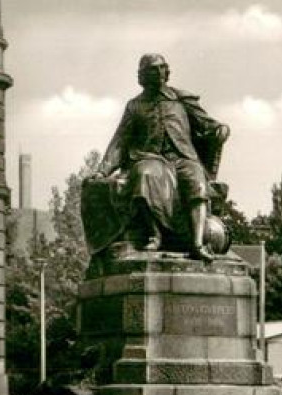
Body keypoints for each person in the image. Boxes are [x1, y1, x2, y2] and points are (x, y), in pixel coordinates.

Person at [94, 53, 229, 261]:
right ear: (142, 76)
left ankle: (197, 243)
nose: (158, 73)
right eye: (152, 70)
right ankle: (154, 234)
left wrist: (221, 129)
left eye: (161, 68)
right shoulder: (135, 106)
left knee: (196, 180)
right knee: (144, 174)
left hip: (183, 157)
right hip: (150, 157)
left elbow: (208, 124)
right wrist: (103, 170)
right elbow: (120, 141)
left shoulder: (183, 100)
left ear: (167, 72)